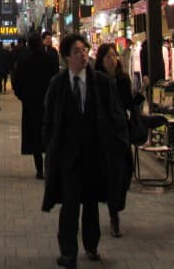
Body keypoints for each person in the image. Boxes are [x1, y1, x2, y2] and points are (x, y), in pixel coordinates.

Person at [42, 33, 129, 268]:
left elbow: (115, 115)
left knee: (90, 204)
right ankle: (68, 251)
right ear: (67, 57)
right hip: (68, 156)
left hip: (94, 153)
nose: (83, 55)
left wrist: (119, 145)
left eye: (85, 50)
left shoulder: (101, 82)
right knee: (70, 205)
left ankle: (91, 245)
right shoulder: (57, 85)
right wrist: (50, 148)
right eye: (77, 51)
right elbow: (49, 121)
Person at [93, 43, 135, 238]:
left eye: (114, 56)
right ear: (101, 60)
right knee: (111, 176)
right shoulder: (95, 82)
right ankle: (113, 217)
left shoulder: (123, 80)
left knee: (125, 174)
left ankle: (116, 204)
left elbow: (129, 104)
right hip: (103, 136)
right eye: (108, 56)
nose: (112, 59)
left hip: (121, 133)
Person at [12, 30, 58, 179]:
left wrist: (23, 97)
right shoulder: (50, 60)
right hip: (48, 103)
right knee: (49, 132)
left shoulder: (24, 62)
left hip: (31, 104)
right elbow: (56, 80)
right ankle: (49, 165)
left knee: (35, 135)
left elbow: (16, 84)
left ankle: (39, 168)